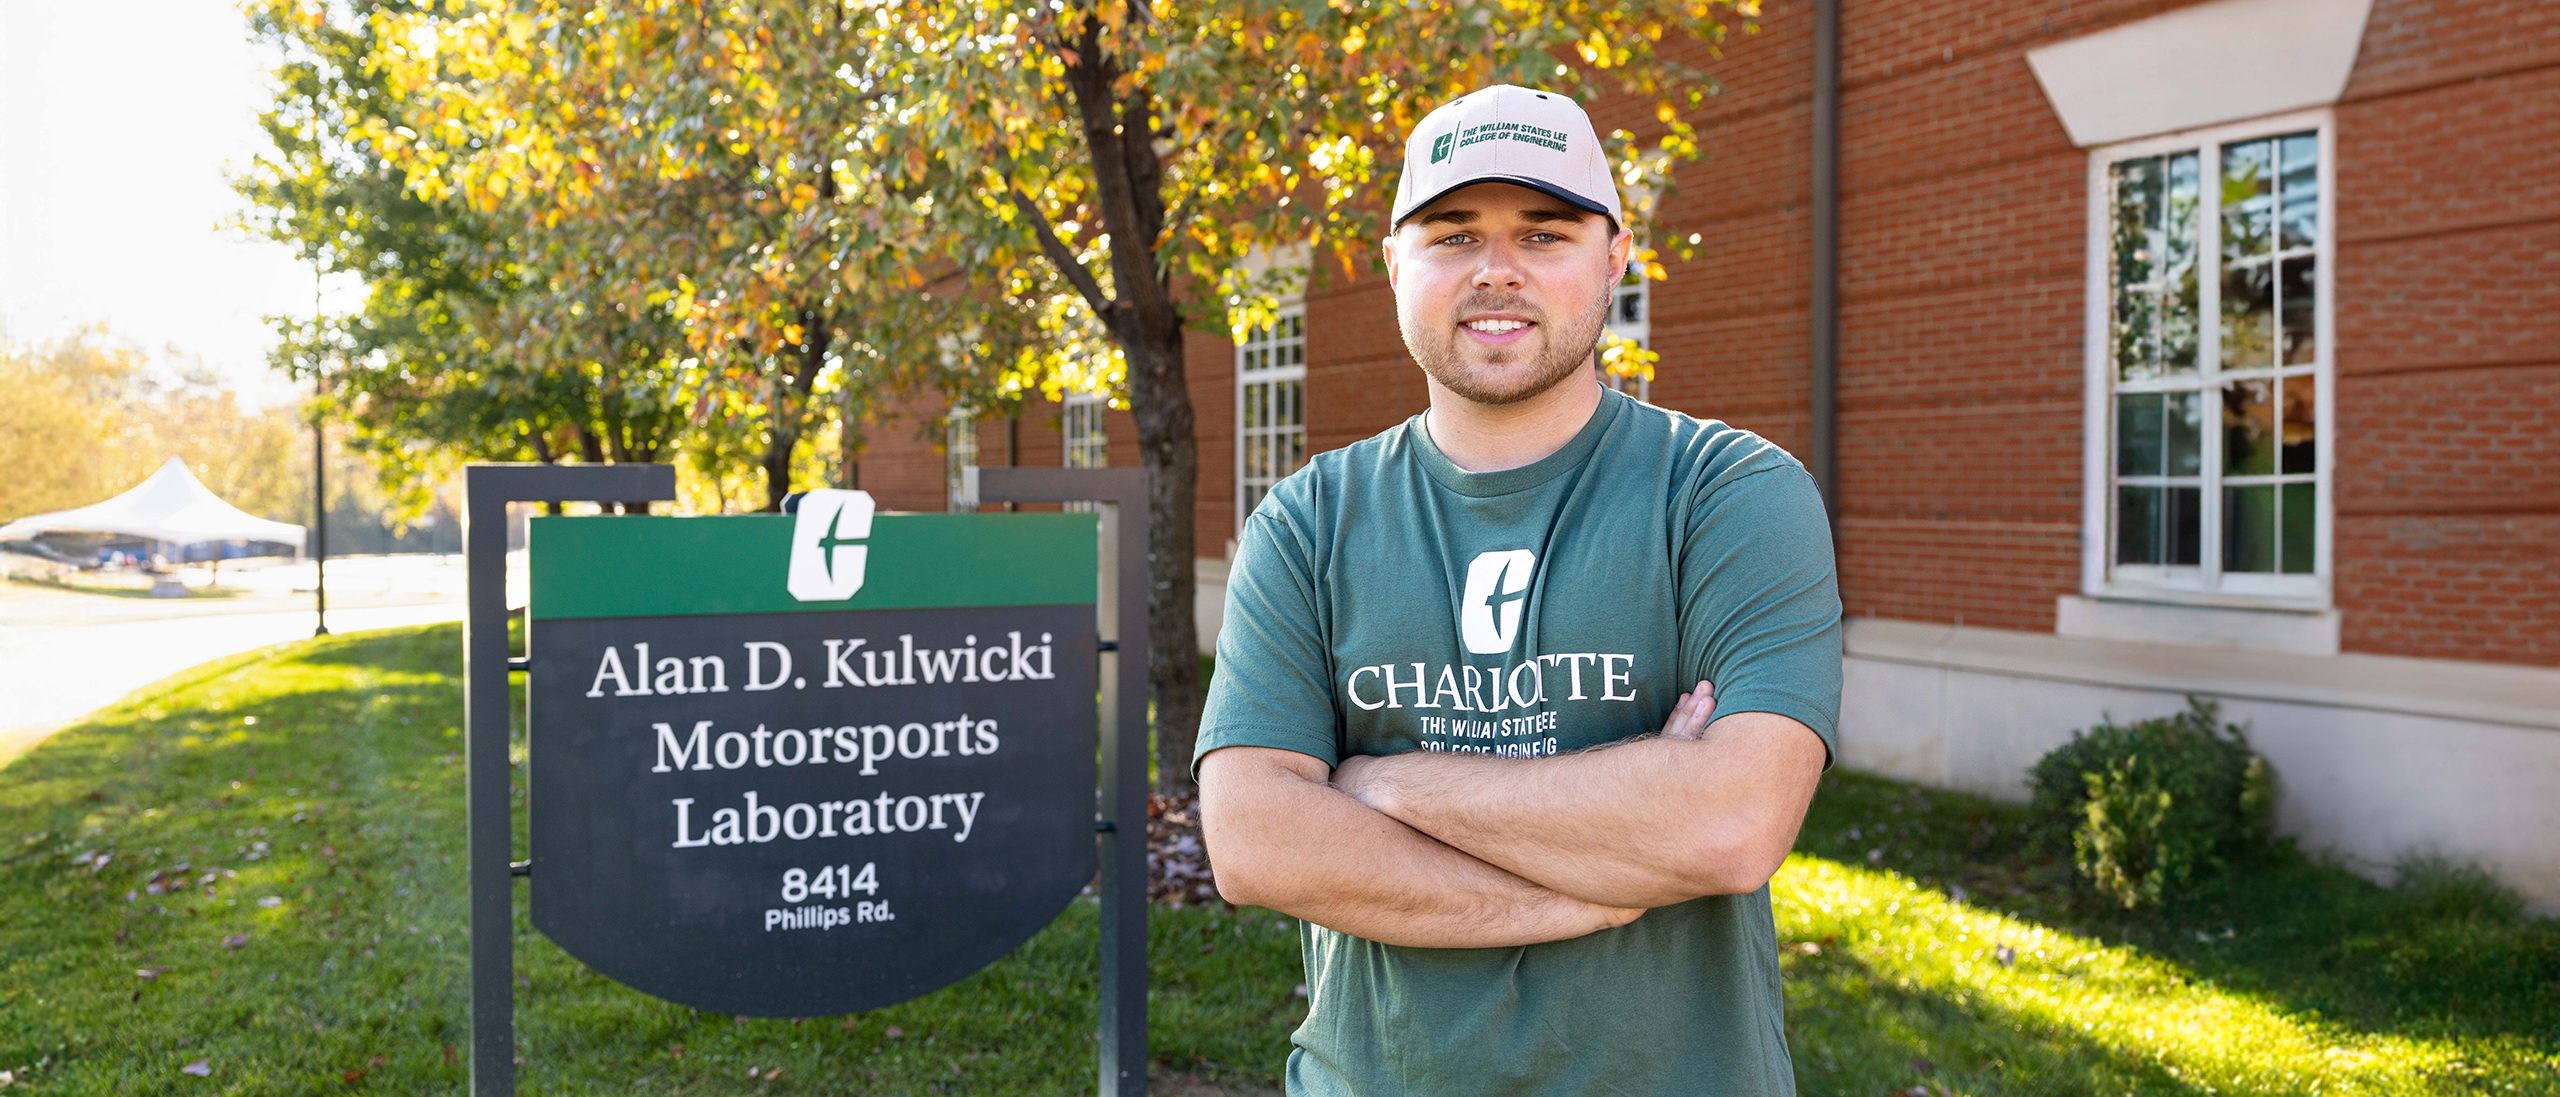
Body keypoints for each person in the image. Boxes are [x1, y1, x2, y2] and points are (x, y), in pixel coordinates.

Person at [1193, 84, 1843, 1096]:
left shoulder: (1729, 493)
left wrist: (1387, 784)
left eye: (1544, 233)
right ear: (1394, 262)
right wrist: (1606, 880)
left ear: (1615, 257)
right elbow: (1255, 842)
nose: (1497, 269)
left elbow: (1729, 823)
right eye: (1454, 235)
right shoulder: (1307, 521)